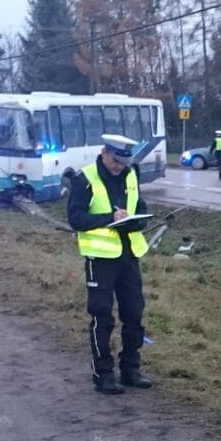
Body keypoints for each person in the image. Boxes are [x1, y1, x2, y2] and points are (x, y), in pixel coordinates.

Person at [67, 134, 152, 395]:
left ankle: (130, 370)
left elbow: (140, 206)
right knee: (102, 316)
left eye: (123, 162)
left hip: (128, 254)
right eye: (115, 161)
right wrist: (109, 218)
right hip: (100, 258)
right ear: (104, 152)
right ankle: (103, 373)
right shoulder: (85, 178)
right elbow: (75, 218)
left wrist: (138, 219)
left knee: (134, 314)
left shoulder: (130, 174)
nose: (119, 166)